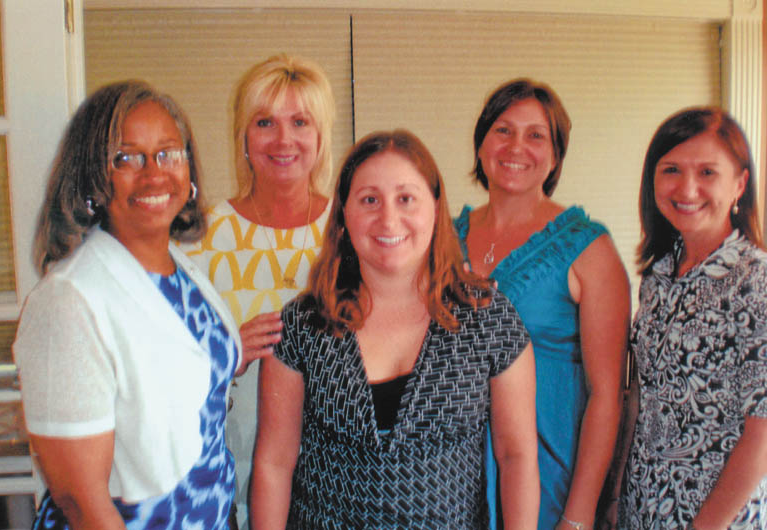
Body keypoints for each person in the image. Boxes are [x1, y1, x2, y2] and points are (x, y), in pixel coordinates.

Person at [251, 129, 539, 529]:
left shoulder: (488, 319)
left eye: (406, 199)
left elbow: (517, 457)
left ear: (435, 209)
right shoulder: (304, 325)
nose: (388, 218)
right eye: (369, 200)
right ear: (343, 214)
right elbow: (274, 463)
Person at [14, 80, 242, 528]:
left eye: (168, 153)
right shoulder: (68, 302)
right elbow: (79, 499)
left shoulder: (179, 267)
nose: (154, 173)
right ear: (92, 177)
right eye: (126, 158)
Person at [453, 78, 630, 529]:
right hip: (451, 477)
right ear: (480, 144)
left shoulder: (589, 249)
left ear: (555, 156)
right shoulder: (443, 239)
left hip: (547, 477)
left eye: (537, 135)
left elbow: (606, 396)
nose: (517, 146)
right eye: (503, 130)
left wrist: (577, 516)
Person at [179, 54, 335, 527]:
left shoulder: (355, 229)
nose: (283, 139)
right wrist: (226, 352)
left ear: (320, 137)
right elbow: (165, 370)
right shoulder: (197, 238)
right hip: (230, 478)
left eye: (300, 122)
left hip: (340, 479)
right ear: (244, 137)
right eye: (265, 122)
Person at [610, 107, 767, 529]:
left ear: (741, 183)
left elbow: (763, 432)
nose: (687, 187)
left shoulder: (756, 281)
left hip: (717, 518)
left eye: (708, 172)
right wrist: (614, 497)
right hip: (642, 509)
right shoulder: (659, 275)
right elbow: (641, 396)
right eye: (672, 169)